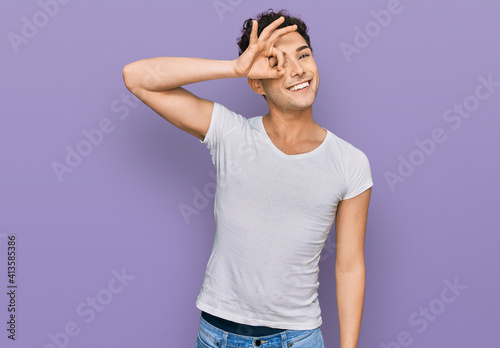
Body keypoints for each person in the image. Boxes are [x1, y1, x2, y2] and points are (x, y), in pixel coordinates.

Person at [122, 8, 373, 348]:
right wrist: (235, 68)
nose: (298, 70)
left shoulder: (350, 162)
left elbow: (349, 266)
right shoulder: (231, 134)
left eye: (303, 55)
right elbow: (136, 76)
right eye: (277, 62)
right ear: (257, 82)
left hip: (297, 338)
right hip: (217, 336)